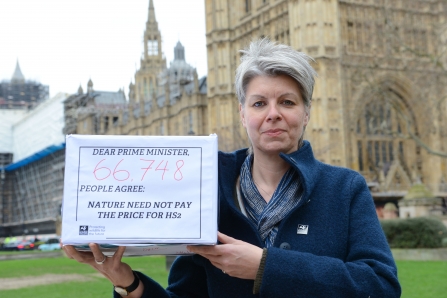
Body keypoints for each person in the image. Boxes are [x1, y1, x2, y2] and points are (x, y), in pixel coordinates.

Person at [64, 38, 401, 297]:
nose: (273, 114)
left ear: (306, 112)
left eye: (287, 101)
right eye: (259, 103)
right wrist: (127, 282)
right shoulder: (210, 195)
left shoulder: (344, 189)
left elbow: (382, 286)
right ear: (242, 114)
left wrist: (266, 267)